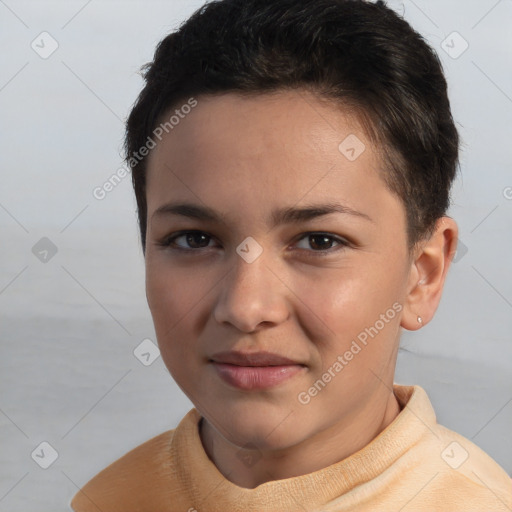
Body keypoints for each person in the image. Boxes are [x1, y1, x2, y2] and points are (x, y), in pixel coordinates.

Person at [71, 0, 512, 510]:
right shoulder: (107, 500)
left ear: (423, 275)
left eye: (319, 241)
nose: (246, 306)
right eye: (194, 239)